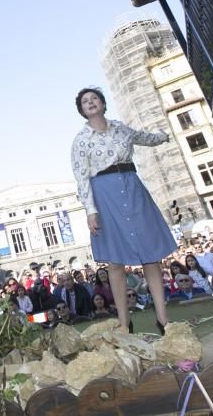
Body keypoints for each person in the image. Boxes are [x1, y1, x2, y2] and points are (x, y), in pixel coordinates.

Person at [70, 87, 176, 335]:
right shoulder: (80, 140)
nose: (90, 102)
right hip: (104, 194)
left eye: (94, 98)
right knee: (115, 262)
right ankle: (124, 323)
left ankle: (163, 318)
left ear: (103, 104)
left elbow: (144, 137)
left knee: (151, 256)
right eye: (85, 101)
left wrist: (163, 136)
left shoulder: (120, 128)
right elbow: (81, 177)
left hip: (132, 186)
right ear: (82, 111)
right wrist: (90, 210)